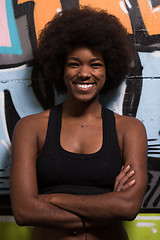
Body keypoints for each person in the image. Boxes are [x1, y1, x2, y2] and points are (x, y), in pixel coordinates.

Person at [10, 6, 148, 240]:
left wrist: (53, 198)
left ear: (109, 69)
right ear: (60, 69)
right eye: (74, 64)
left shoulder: (130, 130)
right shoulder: (30, 128)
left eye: (95, 64)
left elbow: (127, 207)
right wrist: (105, 207)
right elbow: (24, 211)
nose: (85, 73)